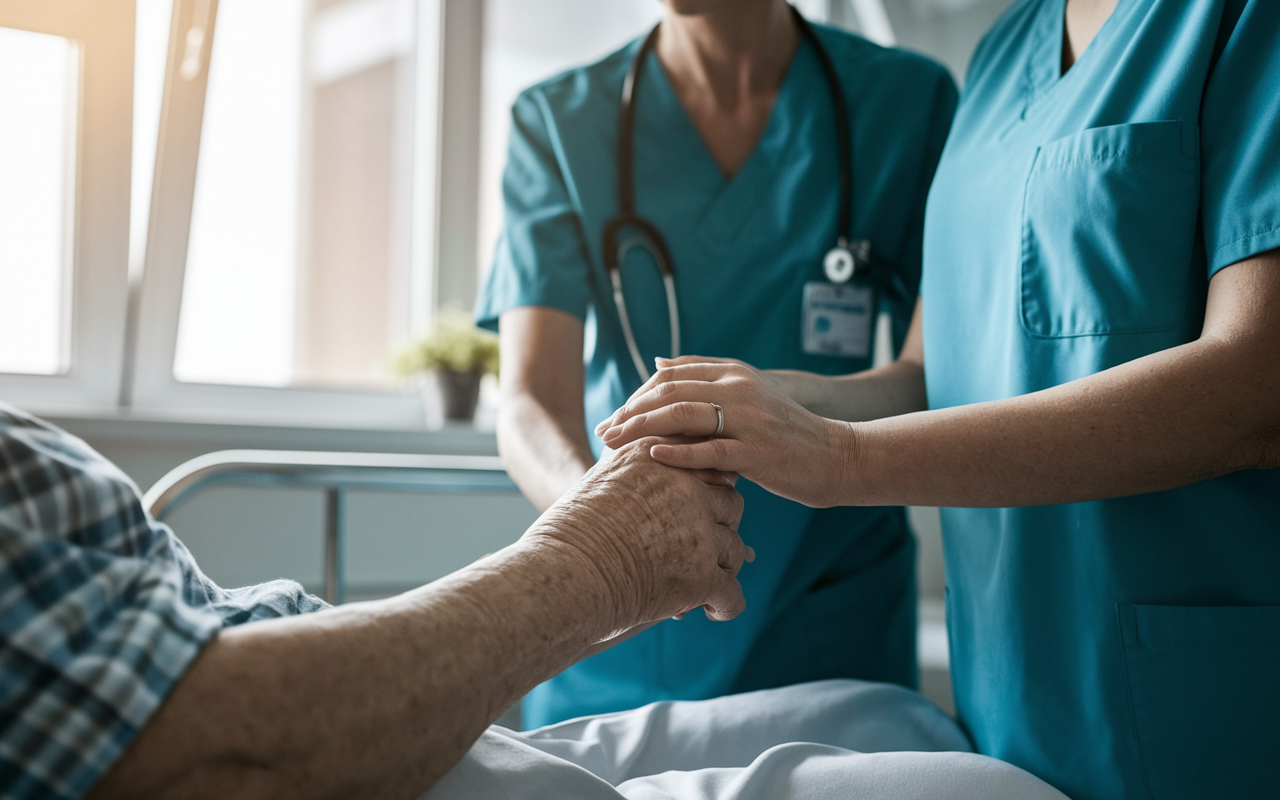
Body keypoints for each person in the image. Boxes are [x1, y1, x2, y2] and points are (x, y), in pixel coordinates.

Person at [596, 1, 1280, 799]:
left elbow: (1255, 387)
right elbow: (928, 370)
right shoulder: (1000, 57)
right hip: (1011, 700)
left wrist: (841, 459)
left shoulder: (1240, 20)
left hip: (1196, 704)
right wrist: (752, 407)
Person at [0, 403, 1077, 800]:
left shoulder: (890, 101)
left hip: (322, 692)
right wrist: (596, 549)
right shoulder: (565, 123)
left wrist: (813, 432)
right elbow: (215, 752)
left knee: (889, 716)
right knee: (985, 791)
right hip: (326, 751)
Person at [477, 0, 957, 726]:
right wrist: (615, 532)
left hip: (828, 625)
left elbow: (931, 376)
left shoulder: (907, 104)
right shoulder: (560, 122)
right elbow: (528, 402)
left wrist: (774, 409)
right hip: (622, 642)